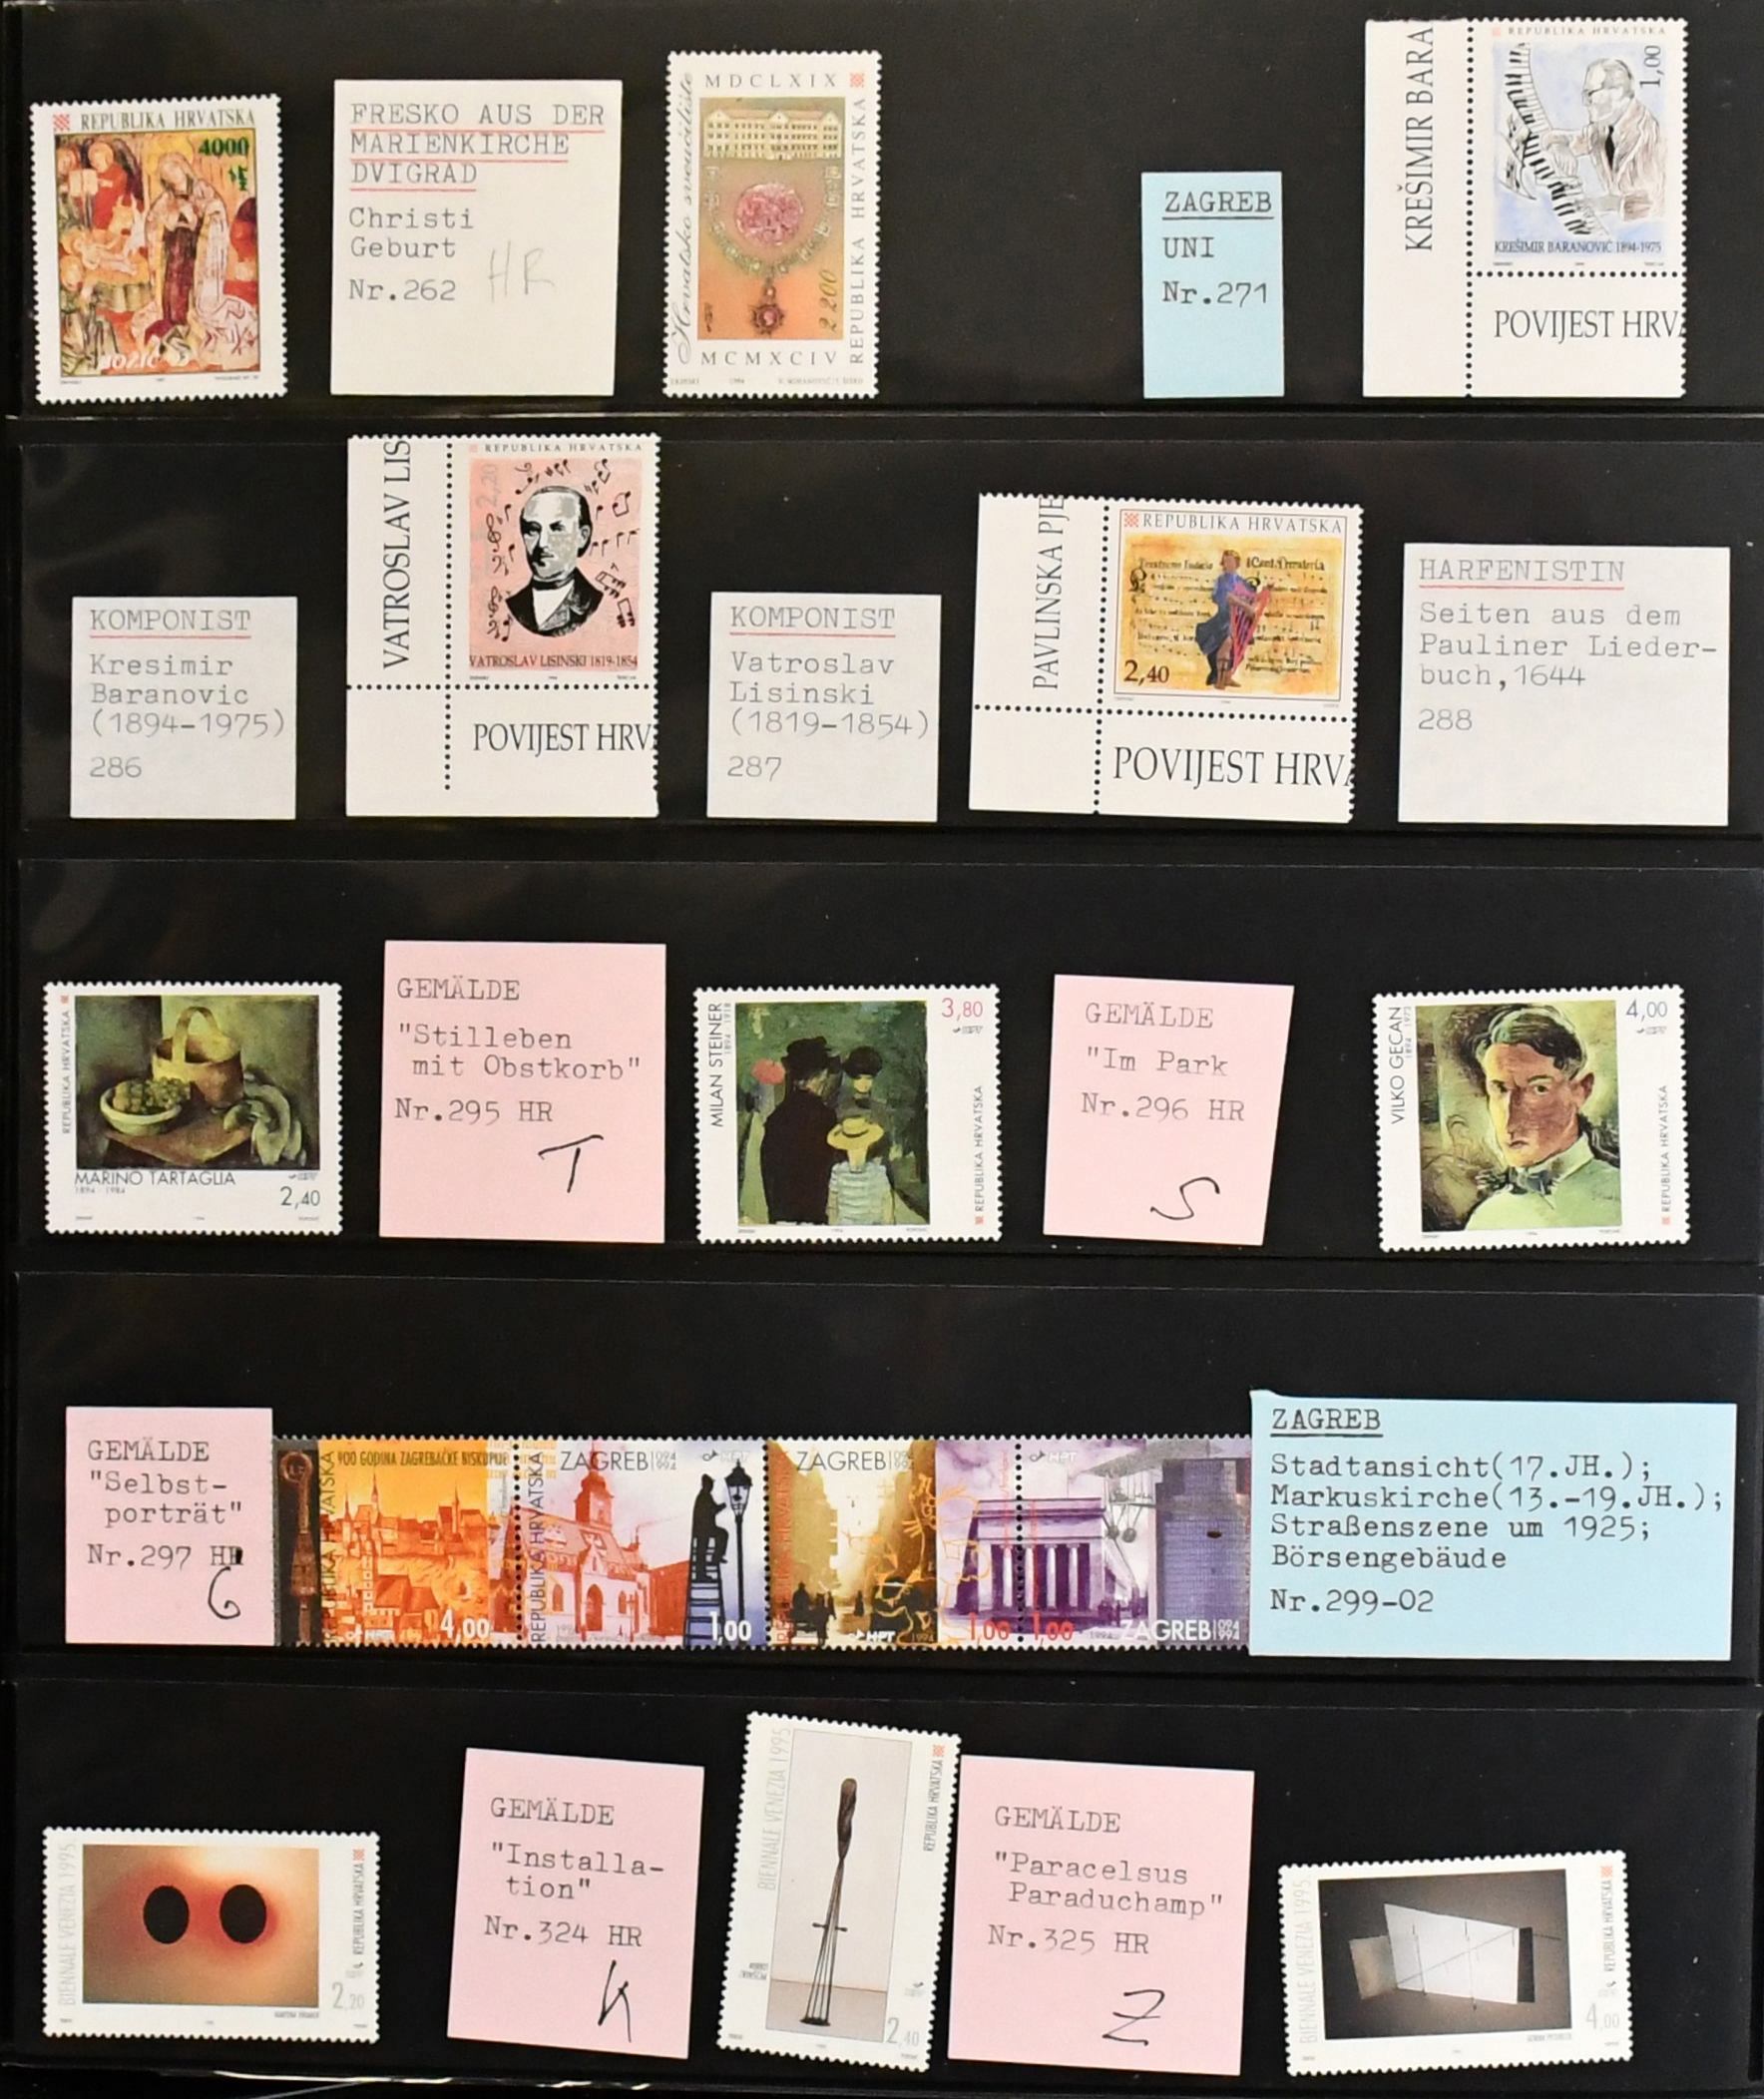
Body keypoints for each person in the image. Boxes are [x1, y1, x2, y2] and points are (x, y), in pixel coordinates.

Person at [1462, 1006, 1622, 1230]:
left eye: (1538, 1089)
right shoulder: (1485, 1220)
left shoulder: (1625, 1196)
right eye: (1499, 1089)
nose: (1510, 1120)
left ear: (1581, 1091)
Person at [1544, 58, 1664, 222]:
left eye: (1590, 94)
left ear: (1617, 92)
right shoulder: (1602, 127)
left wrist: (1609, 204)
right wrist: (1559, 146)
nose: (1585, 103)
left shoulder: (1649, 135)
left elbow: (1656, 205)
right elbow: (1565, 139)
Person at [505, 487, 605, 635]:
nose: (542, 543)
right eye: (532, 530)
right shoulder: (513, 606)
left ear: (582, 536)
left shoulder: (594, 603)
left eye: (557, 529)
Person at [759, 1037, 837, 1224]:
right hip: (814, 1214)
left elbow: (770, 1173)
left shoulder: (776, 1118)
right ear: (820, 1076)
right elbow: (829, 1171)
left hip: (781, 1215)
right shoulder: (825, 1117)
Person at [1193, 550, 1271, 689]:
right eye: (1226, 561)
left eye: (1231, 561)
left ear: (1237, 563)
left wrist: (1264, 592)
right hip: (1224, 620)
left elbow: (1250, 599)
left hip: (1238, 621)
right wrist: (1243, 605)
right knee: (1227, 644)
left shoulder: (1242, 582)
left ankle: (1228, 677)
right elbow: (1225, 598)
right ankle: (1220, 679)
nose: (1228, 564)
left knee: (1238, 651)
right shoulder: (1221, 581)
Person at [826, 1115, 896, 1225]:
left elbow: (832, 1209)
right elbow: (832, 1208)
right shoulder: (838, 1172)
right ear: (868, 1144)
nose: (857, 1149)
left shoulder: (878, 1172)